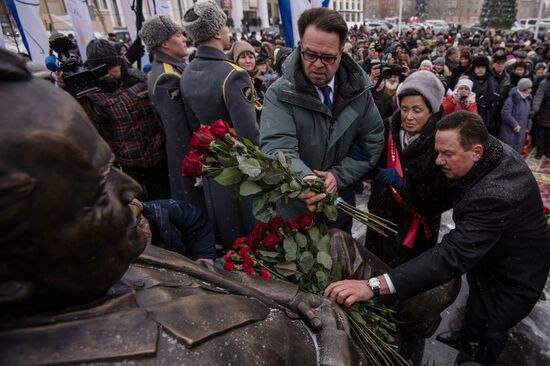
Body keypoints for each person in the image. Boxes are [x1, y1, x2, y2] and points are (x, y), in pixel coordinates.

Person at [0, 48, 366, 366]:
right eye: (96, 192)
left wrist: (297, 297)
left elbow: (200, 271)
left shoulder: (107, 261)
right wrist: (331, 327)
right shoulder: (224, 349)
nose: (129, 189)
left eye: (109, 169)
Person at [326, 111, 550, 366]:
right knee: (476, 308)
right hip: (489, 256)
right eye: (438, 152)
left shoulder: (497, 194)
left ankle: (476, 356)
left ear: (476, 152)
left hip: (515, 274)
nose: (438, 161)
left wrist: (373, 286)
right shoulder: (487, 152)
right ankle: (466, 336)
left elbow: (451, 255)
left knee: (492, 327)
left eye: (447, 154)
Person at [259, 7, 384, 230]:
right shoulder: (279, 94)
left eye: (327, 57)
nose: (317, 64)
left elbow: (370, 143)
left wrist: (337, 176)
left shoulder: (359, 92)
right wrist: (305, 179)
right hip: (294, 213)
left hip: (339, 211)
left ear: (342, 53)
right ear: (300, 48)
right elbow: (278, 149)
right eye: (310, 54)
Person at [180, 0, 259, 250]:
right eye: (224, 27)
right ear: (216, 31)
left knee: (227, 227)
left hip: (211, 160)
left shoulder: (187, 72)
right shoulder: (233, 74)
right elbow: (249, 134)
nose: (226, 32)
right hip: (239, 164)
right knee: (251, 227)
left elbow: (194, 124)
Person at [366, 70, 451, 269]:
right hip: (379, 219)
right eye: (404, 109)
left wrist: (405, 186)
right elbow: (371, 164)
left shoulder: (442, 142)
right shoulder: (389, 128)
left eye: (417, 110)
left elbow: (443, 197)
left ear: (432, 111)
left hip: (413, 231)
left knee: (404, 280)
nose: (409, 117)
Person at [80, 39, 170, 201]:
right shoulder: (91, 94)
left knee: (166, 202)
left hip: (158, 159)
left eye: (110, 67)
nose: (107, 73)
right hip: (127, 166)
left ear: (118, 63)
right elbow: (90, 130)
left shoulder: (138, 80)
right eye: (100, 70)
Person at [140, 16, 200, 206]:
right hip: (188, 156)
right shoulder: (167, 76)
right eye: (178, 35)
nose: (184, 38)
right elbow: (179, 131)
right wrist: (196, 162)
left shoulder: (174, 68)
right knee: (196, 208)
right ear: (165, 43)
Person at [499, 78, 533, 153]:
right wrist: (515, 125)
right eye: (529, 88)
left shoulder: (528, 99)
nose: (531, 90)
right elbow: (505, 113)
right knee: (508, 151)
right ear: (524, 88)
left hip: (522, 131)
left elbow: (529, 115)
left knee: (518, 150)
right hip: (510, 132)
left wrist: (528, 127)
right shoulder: (511, 99)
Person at [531, 65, 550, 158]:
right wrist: (535, 109)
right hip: (544, 112)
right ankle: (540, 150)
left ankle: (547, 151)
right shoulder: (544, 83)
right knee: (541, 134)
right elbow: (538, 97)